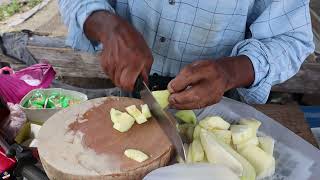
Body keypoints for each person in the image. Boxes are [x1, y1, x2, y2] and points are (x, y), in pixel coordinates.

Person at [58, 0, 314, 109]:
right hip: (135, 91)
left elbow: (292, 40)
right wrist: (105, 24)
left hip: (221, 102)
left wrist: (231, 71)